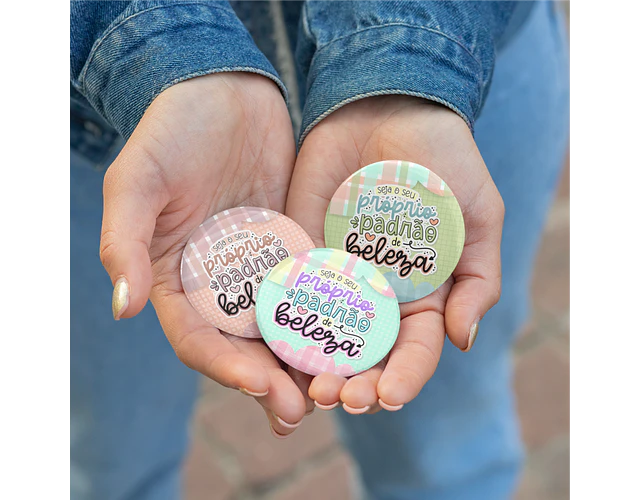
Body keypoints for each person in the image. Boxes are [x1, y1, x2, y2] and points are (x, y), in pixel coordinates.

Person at [67, 0, 570, 498]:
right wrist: (155, 45)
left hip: (451, 68)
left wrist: (409, 46)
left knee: (444, 458)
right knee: (115, 458)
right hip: (133, 114)